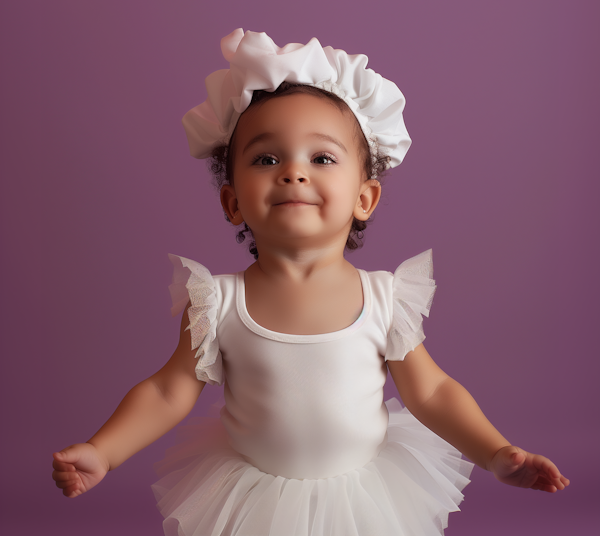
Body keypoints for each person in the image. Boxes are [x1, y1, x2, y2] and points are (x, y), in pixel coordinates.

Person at [52, 29, 569, 536]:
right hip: (255, 499)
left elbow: (431, 392)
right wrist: (104, 450)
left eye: (321, 158)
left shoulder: (384, 299)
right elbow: (168, 391)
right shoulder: (218, 302)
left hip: (363, 497)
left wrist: (496, 453)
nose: (293, 173)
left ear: (364, 198)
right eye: (266, 158)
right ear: (233, 202)